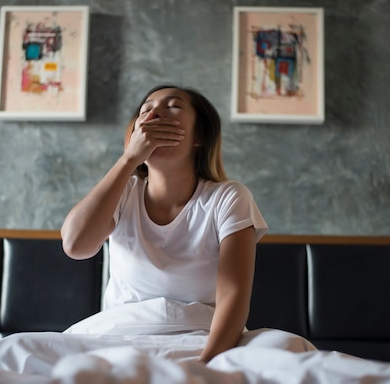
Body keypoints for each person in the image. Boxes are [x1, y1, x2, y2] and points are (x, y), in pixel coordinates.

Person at [60, 84, 268, 362]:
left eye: (173, 106)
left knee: (291, 348)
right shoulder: (123, 193)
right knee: (19, 350)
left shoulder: (228, 197)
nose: (154, 113)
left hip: (202, 335)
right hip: (117, 336)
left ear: (199, 137)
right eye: (146, 110)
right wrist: (128, 159)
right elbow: (75, 245)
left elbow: (233, 295)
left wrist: (206, 366)